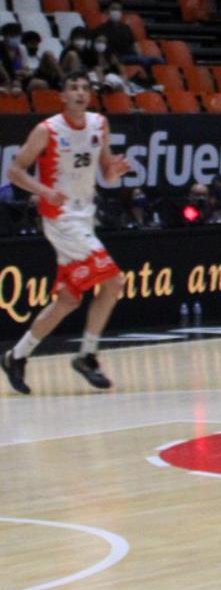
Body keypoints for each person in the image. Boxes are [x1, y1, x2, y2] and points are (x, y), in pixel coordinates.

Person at [3, 72, 131, 395]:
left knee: (69, 300)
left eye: (85, 88)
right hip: (60, 218)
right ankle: (87, 355)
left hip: (84, 216)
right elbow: (14, 171)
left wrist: (114, 172)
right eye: (73, 87)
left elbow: (106, 174)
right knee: (114, 281)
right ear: (62, 96)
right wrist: (43, 191)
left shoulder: (99, 124)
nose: (80, 93)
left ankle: (16, 356)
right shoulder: (46, 130)